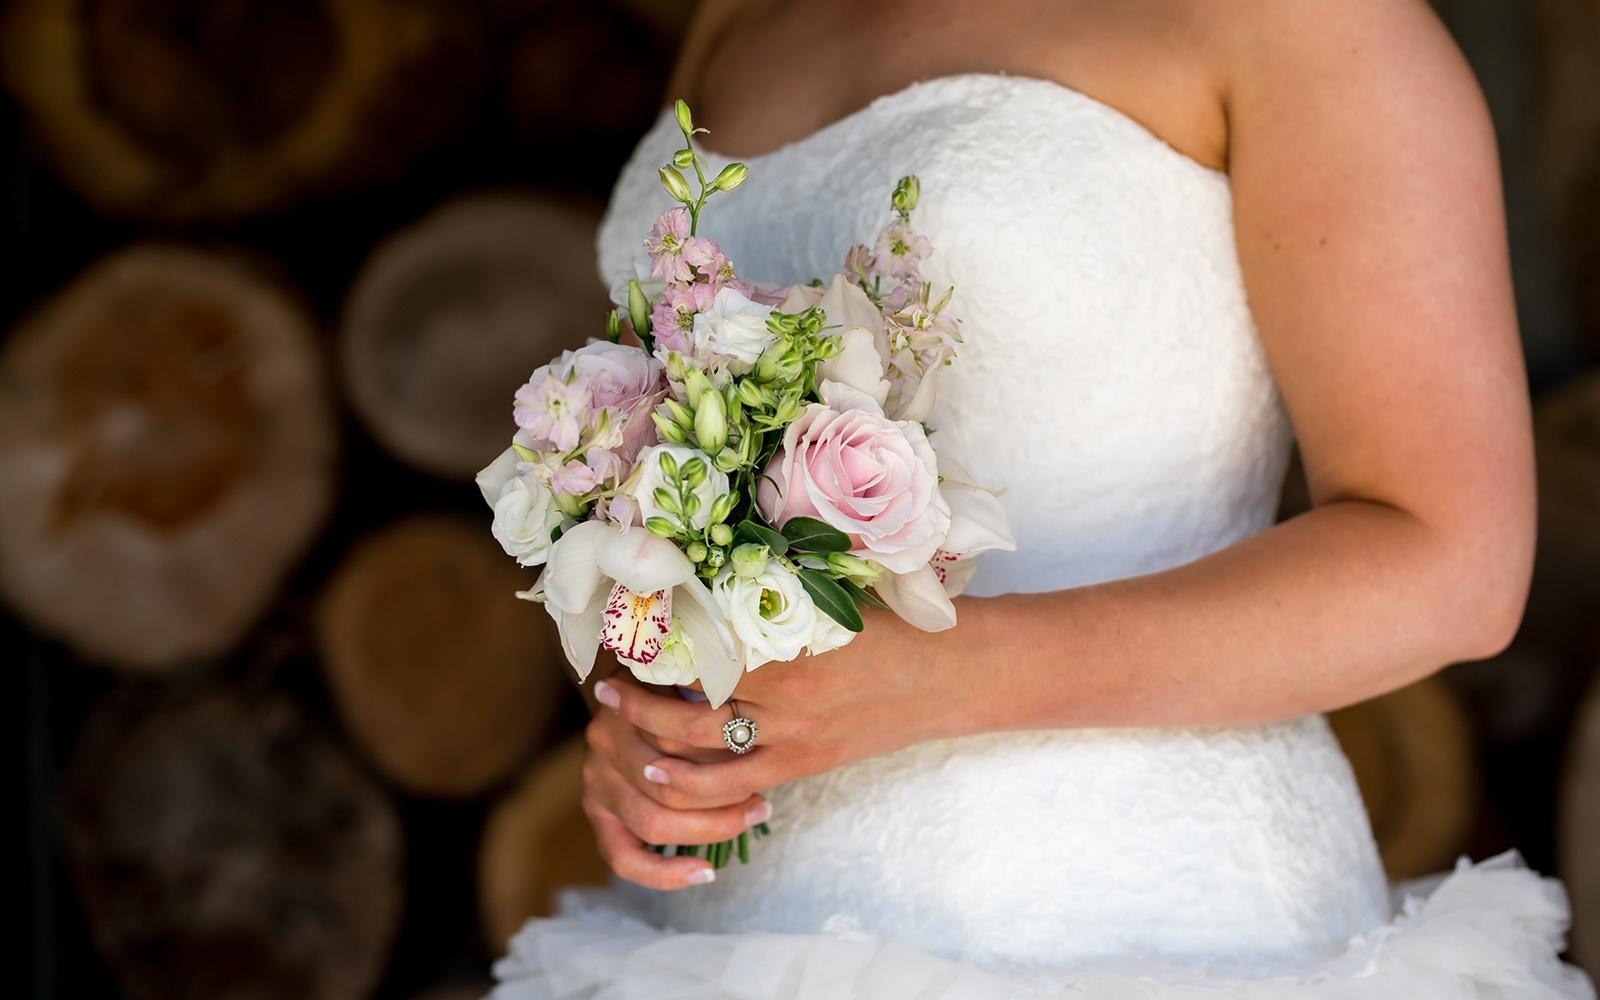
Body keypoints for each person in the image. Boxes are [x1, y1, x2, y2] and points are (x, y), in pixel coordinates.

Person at [493, 0, 1595, 994]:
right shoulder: (736, 17)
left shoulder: (1303, 22)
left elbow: (1453, 563)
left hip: (1137, 920)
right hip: (723, 946)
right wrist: (657, 735)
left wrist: (933, 677)